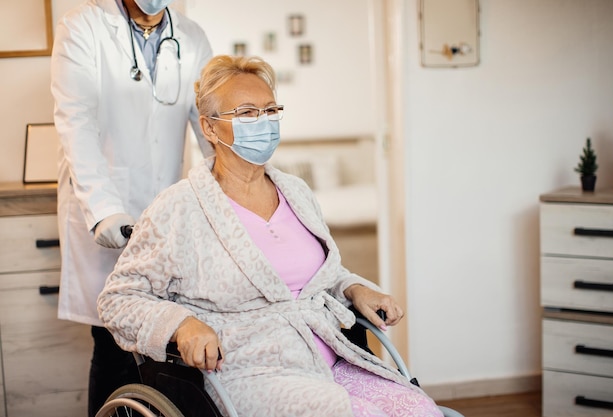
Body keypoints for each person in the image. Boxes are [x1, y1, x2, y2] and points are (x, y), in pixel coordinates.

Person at [97, 55, 443, 417]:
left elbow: (319, 277)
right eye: (246, 113)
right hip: (249, 371)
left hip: (330, 358)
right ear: (210, 128)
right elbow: (119, 300)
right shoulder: (178, 208)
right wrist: (181, 324)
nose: (262, 122)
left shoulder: (297, 192)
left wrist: (354, 288)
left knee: (420, 410)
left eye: (270, 110)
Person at [50, 0, 213, 415]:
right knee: (113, 343)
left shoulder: (190, 37)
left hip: (165, 217)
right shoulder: (84, 26)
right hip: (106, 210)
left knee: (165, 344)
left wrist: (229, 201)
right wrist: (104, 209)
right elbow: (76, 122)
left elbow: (210, 128)